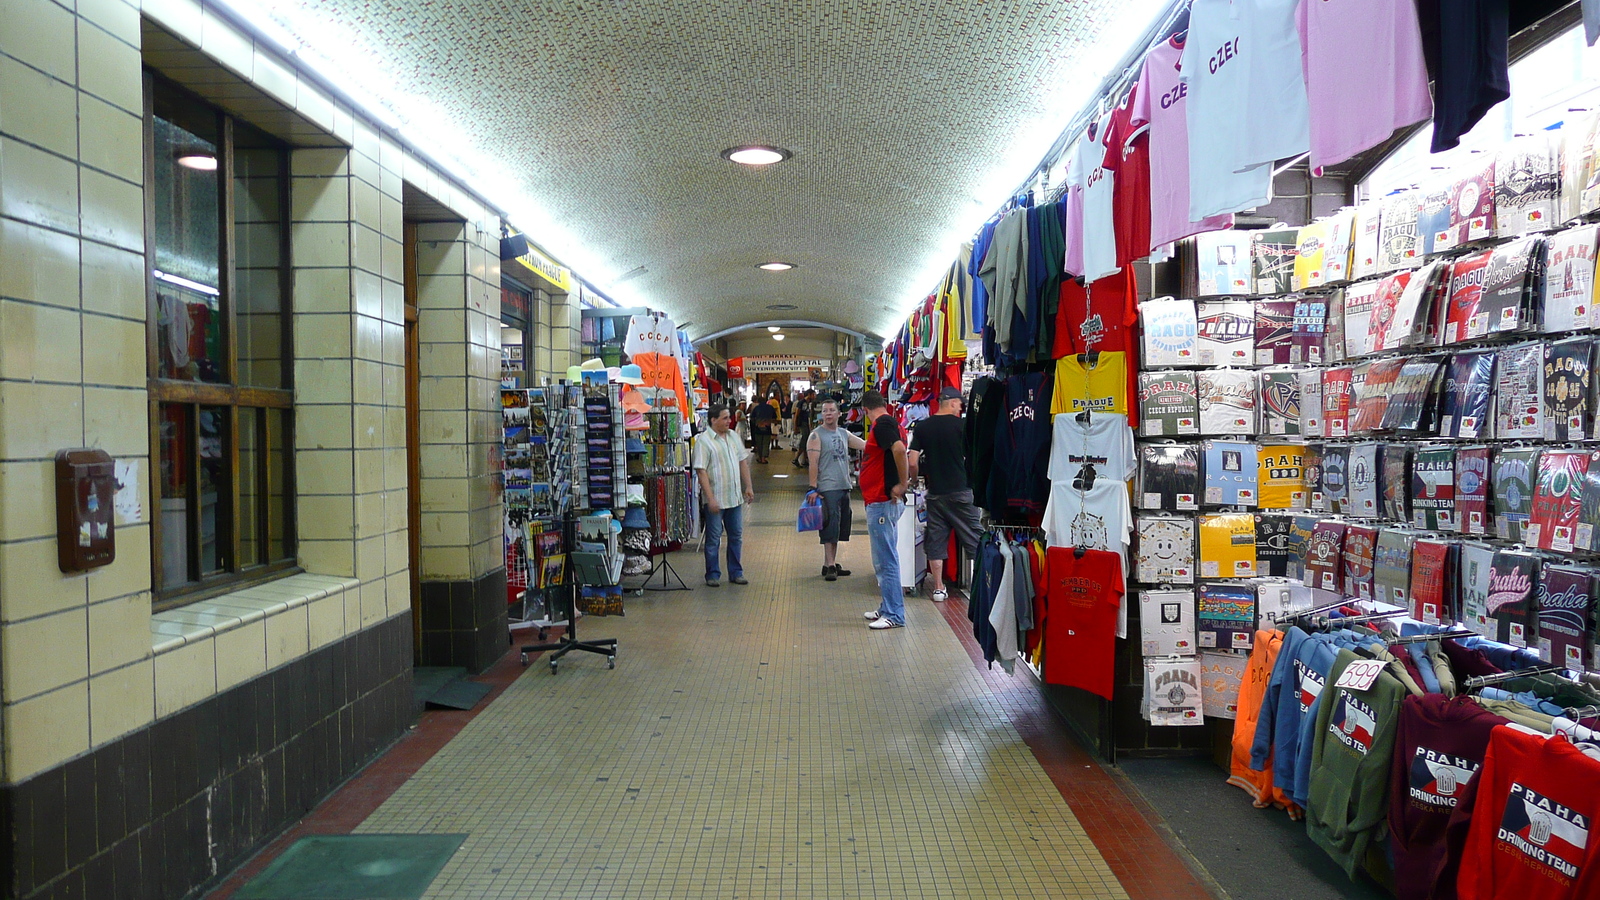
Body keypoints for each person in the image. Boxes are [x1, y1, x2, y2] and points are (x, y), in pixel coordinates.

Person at [907, 386, 983, 602]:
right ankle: (983, 584)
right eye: (960, 404)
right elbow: (973, 456)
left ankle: (939, 588)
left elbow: (912, 461)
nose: (961, 408)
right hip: (961, 490)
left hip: (936, 493)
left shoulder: (923, 427)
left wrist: (914, 480)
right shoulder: (962, 426)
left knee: (936, 541)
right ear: (951, 402)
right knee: (975, 539)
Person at [858, 391, 909, 630]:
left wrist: (903, 482)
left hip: (881, 502)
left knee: (886, 560)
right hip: (880, 501)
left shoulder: (882, 424)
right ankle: (888, 606)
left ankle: (894, 615)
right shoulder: (890, 424)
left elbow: (899, 450)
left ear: (866, 411)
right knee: (884, 559)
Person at [692, 403, 754, 586]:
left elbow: (743, 462)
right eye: (725, 418)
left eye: (729, 417)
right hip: (716, 499)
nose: (729, 421)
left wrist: (748, 486)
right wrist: (710, 498)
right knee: (713, 538)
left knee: (736, 536)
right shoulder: (703, 441)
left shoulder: (733, 437)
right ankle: (712, 574)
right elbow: (701, 471)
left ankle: (736, 572)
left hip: (734, 498)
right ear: (713, 420)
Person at [807, 397, 866, 580]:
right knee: (829, 526)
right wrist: (813, 488)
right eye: (825, 411)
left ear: (839, 413)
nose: (828, 414)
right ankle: (831, 564)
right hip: (827, 488)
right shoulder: (816, 435)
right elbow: (813, 463)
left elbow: (865, 445)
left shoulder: (843, 433)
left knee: (839, 527)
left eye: (831, 410)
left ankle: (829, 564)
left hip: (844, 486)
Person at [749, 395, 777, 463]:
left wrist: (757, 423)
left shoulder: (756, 408)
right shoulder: (770, 408)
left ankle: (759, 457)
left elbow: (752, 418)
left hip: (758, 428)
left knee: (759, 443)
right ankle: (763, 458)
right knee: (766, 443)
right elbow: (774, 417)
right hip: (767, 427)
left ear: (758, 402)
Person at [792, 391, 815, 467]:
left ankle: (805, 459)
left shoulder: (809, 403)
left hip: (806, 424)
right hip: (802, 424)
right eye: (813, 395)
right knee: (804, 441)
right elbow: (796, 415)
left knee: (806, 441)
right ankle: (796, 458)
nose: (814, 396)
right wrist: (795, 426)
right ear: (809, 395)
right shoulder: (801, 402)